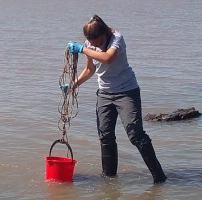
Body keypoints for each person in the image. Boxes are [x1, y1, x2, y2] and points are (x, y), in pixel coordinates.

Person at [68, 15, 167, 184]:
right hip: (104, 94)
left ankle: (159, 177)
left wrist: (82, 49)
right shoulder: (89, 44)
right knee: (105, 136)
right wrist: (72, 85)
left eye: (95, 40)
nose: (93, 44)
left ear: (104, 33)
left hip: (127, 92)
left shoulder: (117, 39)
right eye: (89, 41)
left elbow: (108, 58)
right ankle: (109, 178)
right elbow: (90, 69)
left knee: (135, 134)